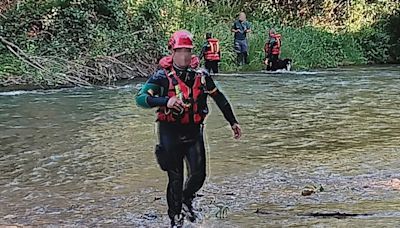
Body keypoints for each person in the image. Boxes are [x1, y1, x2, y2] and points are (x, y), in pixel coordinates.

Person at [135, 30, 242, 228]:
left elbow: (219, 98)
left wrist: (232, 121)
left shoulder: (201, 76)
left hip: (194, 132)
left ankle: (186, 199)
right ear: (172, 52)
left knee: (198, 176)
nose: (184, 55)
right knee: (175, 177)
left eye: (187, 51)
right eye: (180, 51)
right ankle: (175, 218)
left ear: (192, 53)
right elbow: (141, 99)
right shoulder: (161, 77)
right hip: (170, 132)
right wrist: (166, 101)